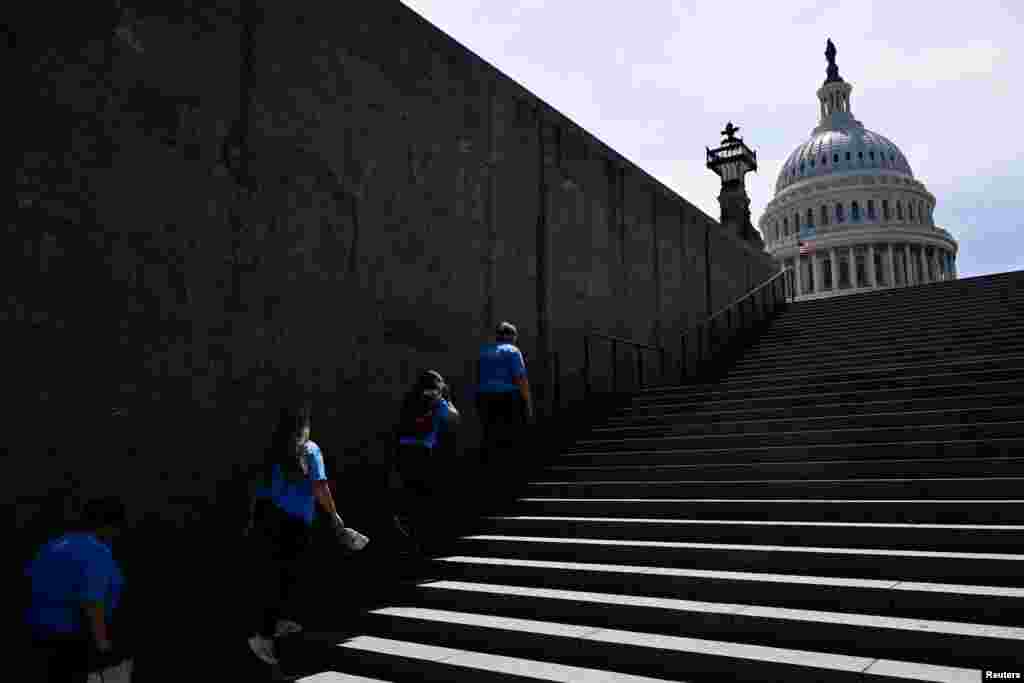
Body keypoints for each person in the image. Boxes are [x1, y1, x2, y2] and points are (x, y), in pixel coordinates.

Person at [244, 404, 346, 668]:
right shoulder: (310, 450)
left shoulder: (273, 451)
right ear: (305, 426)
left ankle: (272, 625)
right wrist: (334, 516)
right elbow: (321, 486)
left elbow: (258, 488)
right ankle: (263, 635)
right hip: (293, 522)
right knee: (287, 575)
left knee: (274, 576)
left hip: (269, 519)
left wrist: (252, 519)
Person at [24, 496, 128, 682]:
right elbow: (92, 602)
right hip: (72, 642)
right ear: (110, 526)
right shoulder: (97, 551)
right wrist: (102, 645)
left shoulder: (52, 546)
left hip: (38, 638)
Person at [392, 370, 459, 554]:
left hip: (402, 451)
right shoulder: (438, 401)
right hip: (422, 452)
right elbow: (455, 417)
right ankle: (422, 540)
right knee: (426, 497)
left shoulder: (410, 398)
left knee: (411, 493)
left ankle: (407, 527)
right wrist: (448, 397)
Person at [476, 321, 533, 469]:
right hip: (507, 398)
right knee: (510, 435)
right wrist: (528, 402)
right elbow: (521, 379)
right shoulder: (513, 351)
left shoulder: (484, 352)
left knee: (490, 434)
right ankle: (510, 467)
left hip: (485, 398)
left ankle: (489, 467)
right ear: (510, 336)